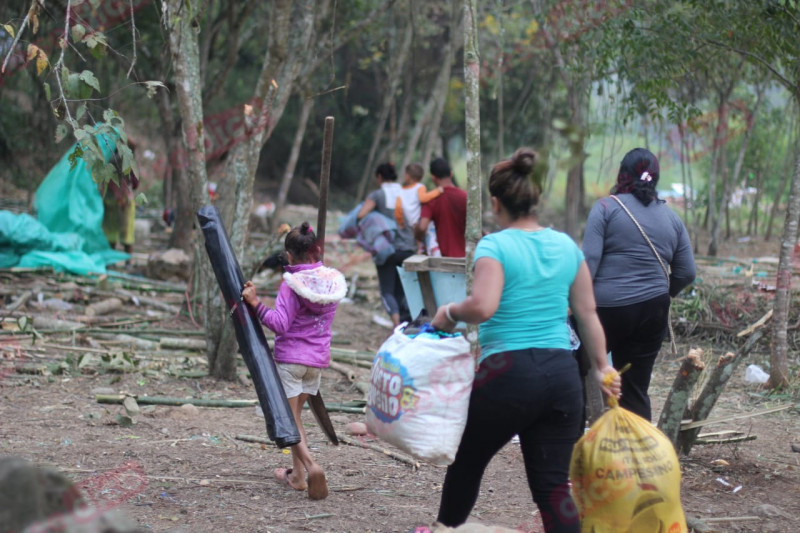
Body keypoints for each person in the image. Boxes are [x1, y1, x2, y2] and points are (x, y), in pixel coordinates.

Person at [430, 148, 621, 533]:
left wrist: (448, 313)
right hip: (562, 376)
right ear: (536, 199)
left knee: (466, 463)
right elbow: (587, 313)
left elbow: (483, 306)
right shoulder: (567, 246)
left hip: (508, 375)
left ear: (496, 203)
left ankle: (446, 529)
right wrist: (603, 367)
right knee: (553, 487)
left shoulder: (495, 246)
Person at [582, 147, 696, 421]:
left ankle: (573, 452)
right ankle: (637, 459)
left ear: (622, 174)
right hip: (652, 312)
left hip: (606, 311)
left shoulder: (606, 207)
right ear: (654, 178)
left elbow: (588, 265)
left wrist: (574, 307)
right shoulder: (672, 218)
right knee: (635, 389)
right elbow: (687, 272)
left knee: (575, 372)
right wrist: (660, 293)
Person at [241, 222, 347, 500]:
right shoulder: (331, 282)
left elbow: (280, 324)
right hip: (317, 362)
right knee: (297, 419)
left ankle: (312, 468)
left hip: (292, 361)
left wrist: (255, 304)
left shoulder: (291, 286)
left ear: (289, 255)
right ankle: (298, 476)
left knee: (289, 422)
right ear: (316, 250)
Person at [357, 163, 417, 326]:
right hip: (409, 249)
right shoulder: (407, 193)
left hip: (388, 250)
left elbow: (361, 214)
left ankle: (396, 325)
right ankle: (407, 325)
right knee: (403, 290)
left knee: (387, 291)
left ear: (379, 177)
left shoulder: (377, 195)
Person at [416, 158, 467, 258]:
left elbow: (422, 228)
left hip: (442, 261)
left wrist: (416, 233)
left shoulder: (431, 199)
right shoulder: (465, 197)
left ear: (433, 178)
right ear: (451, 174)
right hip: (466, 258)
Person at [395, 163, 442, 254]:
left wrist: (400, 221)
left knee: (416, 241)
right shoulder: (420, 187)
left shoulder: (400, 191)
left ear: (407, 175)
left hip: (409, 222)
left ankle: (419, 250)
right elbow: (423, 198)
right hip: (419, 220)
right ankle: (433, 249)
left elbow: (398, 208)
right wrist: (437, 191)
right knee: (429, 232)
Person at [101, 142, 138, 255]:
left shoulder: (108, 161)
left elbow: (104, 183)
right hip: (125, 201)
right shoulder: (129, 163)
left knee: (111, 231)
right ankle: (127, 261)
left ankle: (111, 259)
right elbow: (136, 183)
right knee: (127, 232)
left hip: (110, 200)